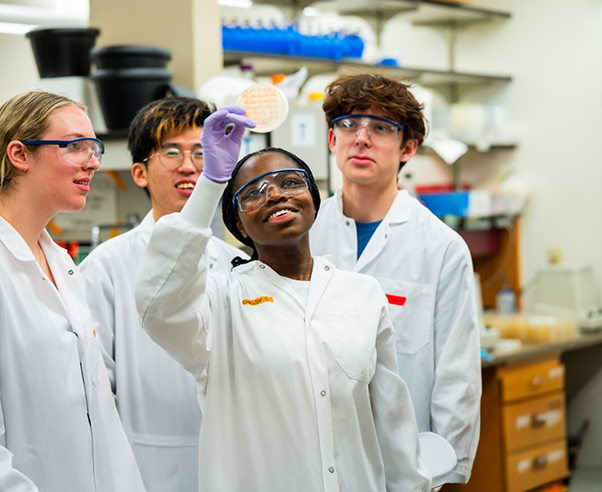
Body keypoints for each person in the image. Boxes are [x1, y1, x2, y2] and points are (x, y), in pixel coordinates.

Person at [134, 106, 432, 492]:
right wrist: (210, 183)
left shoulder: (360, 293)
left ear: (313, 198)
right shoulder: (221, 299)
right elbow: (158, 306)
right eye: (253, 192)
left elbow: (391, 417)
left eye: (290, 182)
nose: (275, 194)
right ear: (239, 223)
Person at [309, 73, 482, 485]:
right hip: (314, 457)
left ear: (408, 148)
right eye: (348, 124)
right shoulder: (303, 236)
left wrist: (444, 472)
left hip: (405, 468)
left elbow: (457, 374)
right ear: (332, 140)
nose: (361, 138)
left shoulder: (441, 247)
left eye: (381, 127)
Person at [79, 96, 246, 492]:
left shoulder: (239, 264)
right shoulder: (106, 267)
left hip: (238, 467)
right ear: (139, 172)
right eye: (172, 152)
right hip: (146, 468)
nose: (189, 166)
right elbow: (96, 387)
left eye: (202, 151)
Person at [0, 90, 145, 491]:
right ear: (20, 154)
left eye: (94, 147)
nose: (94, 161)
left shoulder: (64, 266)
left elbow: (101, 416)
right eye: (74, 146)